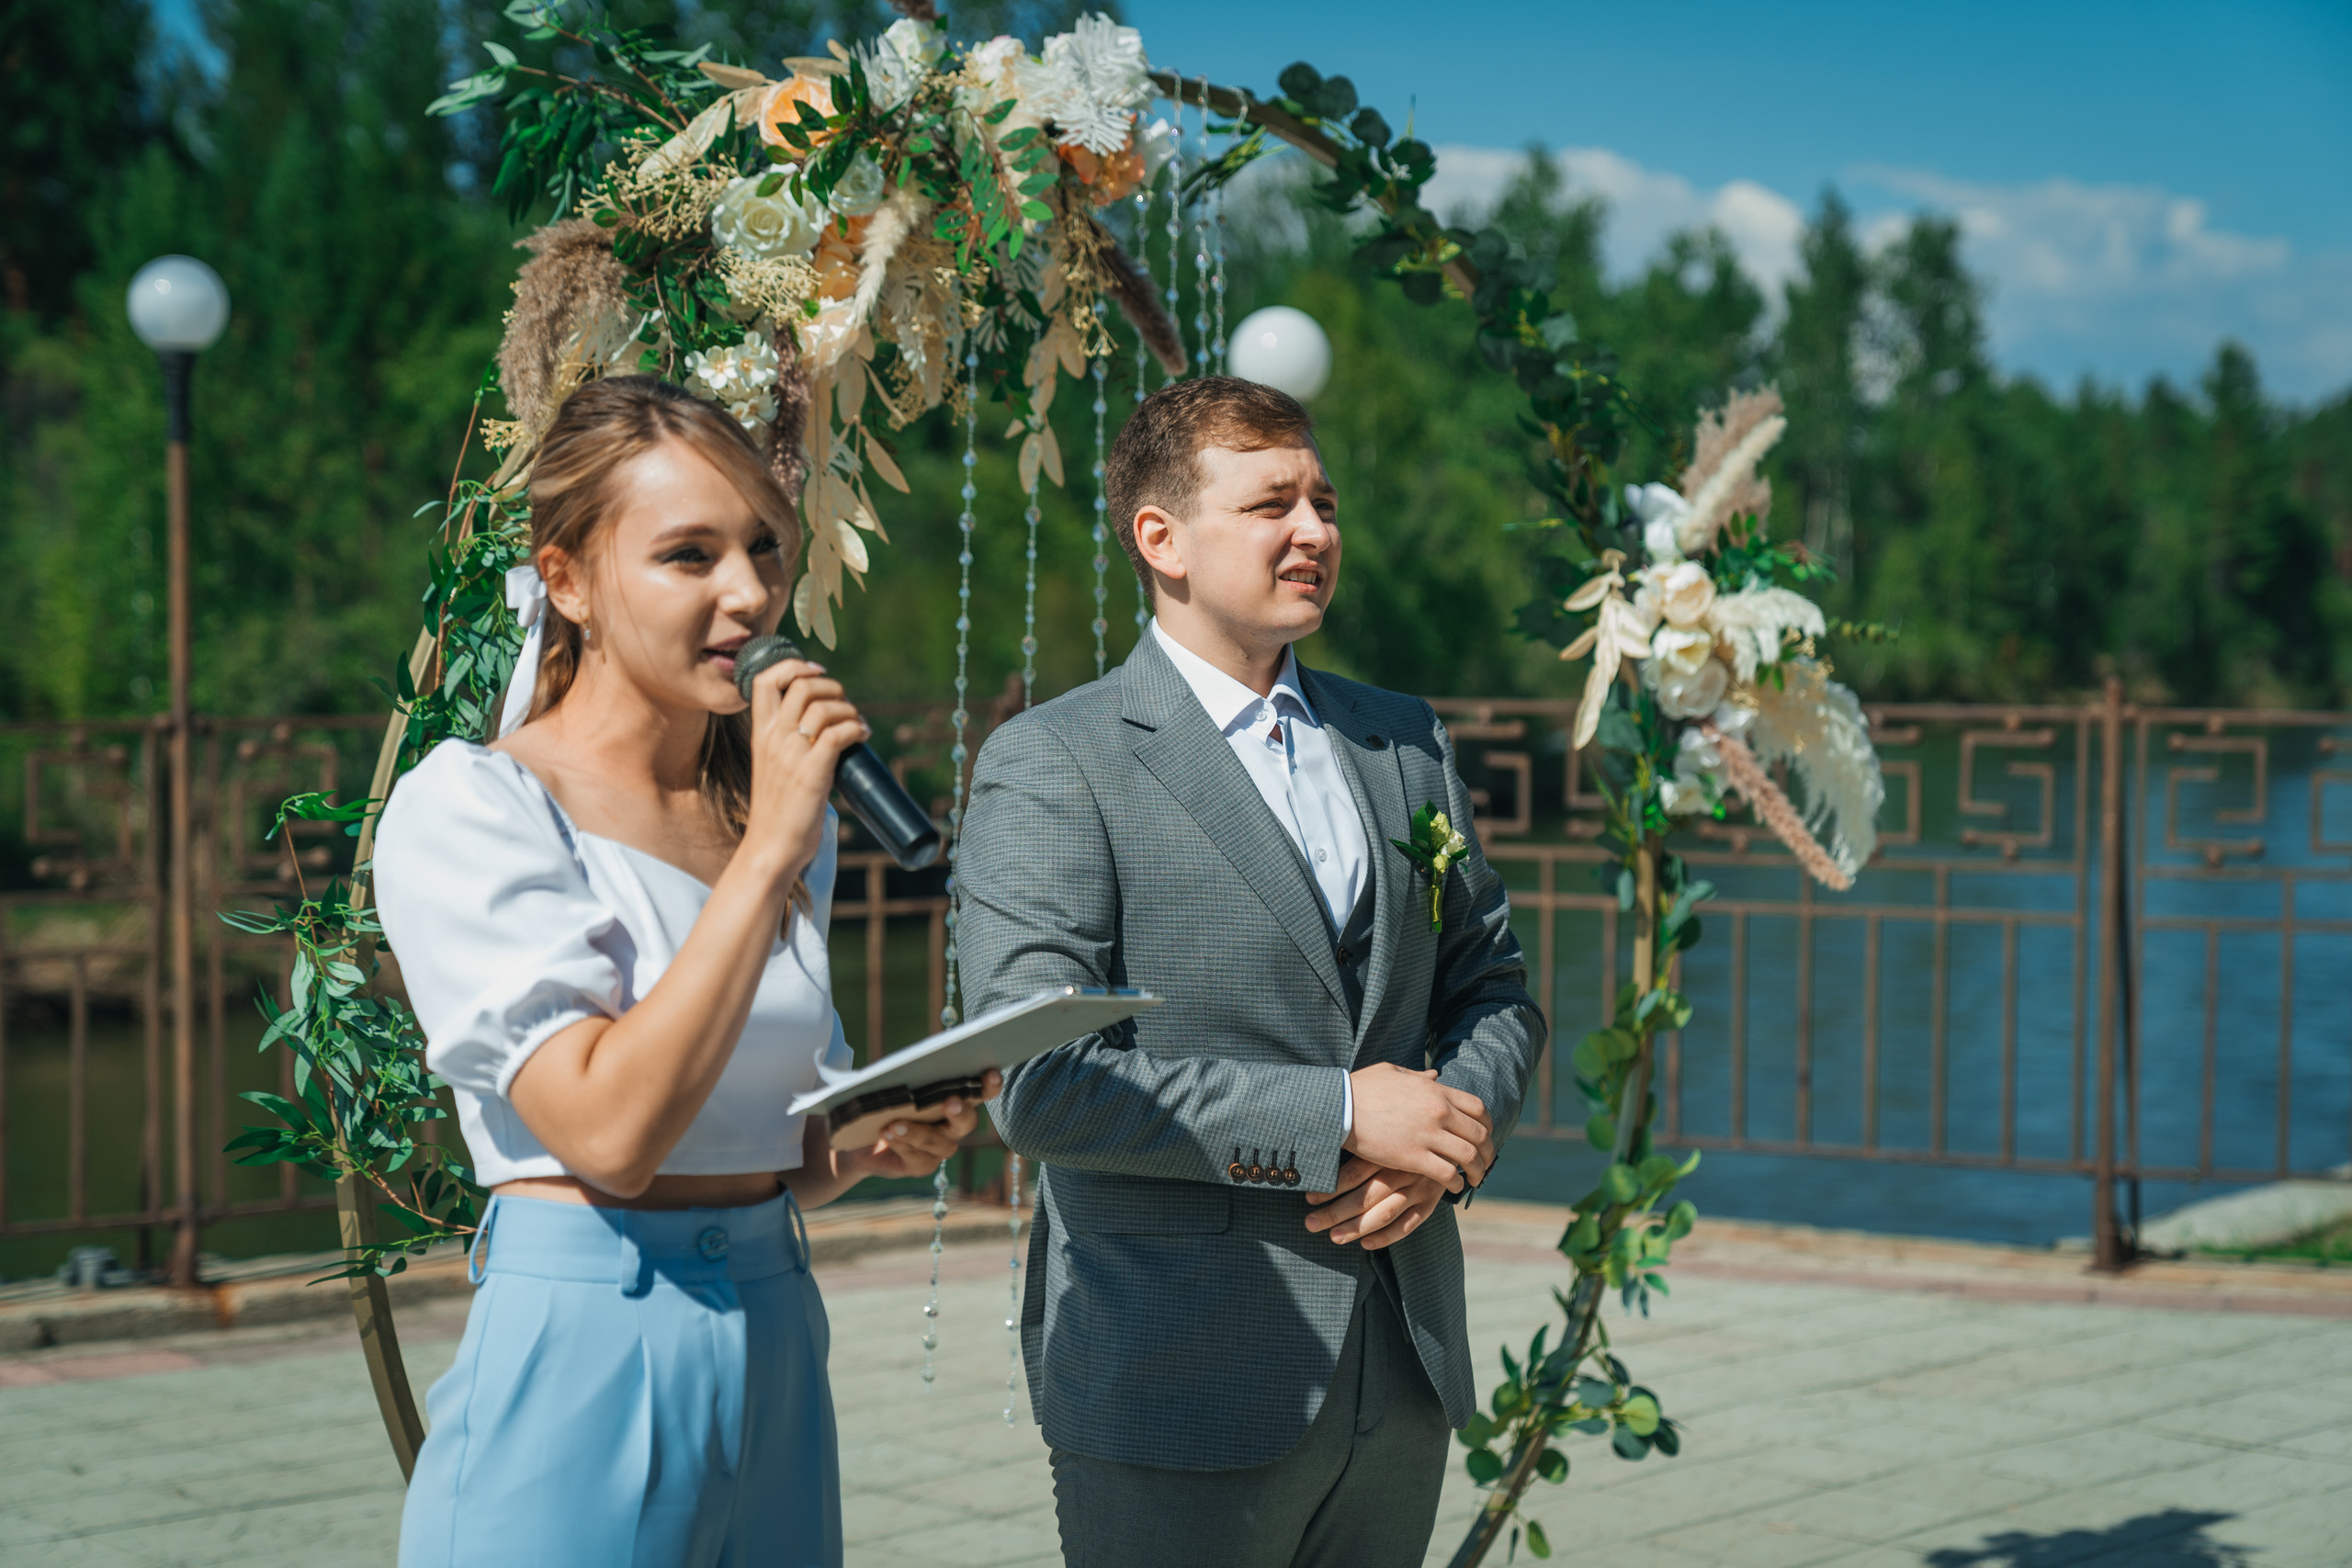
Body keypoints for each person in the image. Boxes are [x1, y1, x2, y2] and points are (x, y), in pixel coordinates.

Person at [373, 375, 993, 1568]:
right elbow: (607, 1132)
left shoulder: (763, 815)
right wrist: (768, 856)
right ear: (568, 581)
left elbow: (767, 1145)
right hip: (586, 1340)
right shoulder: (477, 806)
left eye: (764, 547)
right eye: (689, 556)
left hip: (775, 1329)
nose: (751, 594)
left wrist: (871, 1139)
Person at [956, 376, 1546, 1567]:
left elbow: (1496, 988)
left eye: (1323, 501)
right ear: (1160, 538)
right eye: (1272, 502)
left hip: (1403, 1360)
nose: (1316, 532)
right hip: (1182, 1374)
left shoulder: (1403, 740)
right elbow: (1038, 1081)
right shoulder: (1054, 763)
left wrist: (1448, 1138)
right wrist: (1340, 1115)